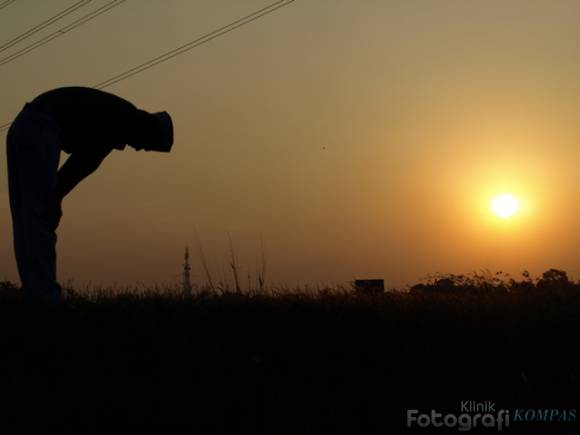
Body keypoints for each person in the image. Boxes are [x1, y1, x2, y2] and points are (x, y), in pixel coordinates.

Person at [6, 87, 174, 302]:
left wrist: (56, 196)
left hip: (24, 125)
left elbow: (81, 165)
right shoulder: (122, 121)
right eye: (147, 145)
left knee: (27, 219)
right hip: (40, 128)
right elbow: (83, 164)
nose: (140, 148)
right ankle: (44, 298)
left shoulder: (120, 117)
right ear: (148, 130)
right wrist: (55, 197)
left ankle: (35, 294)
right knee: (38, 218)